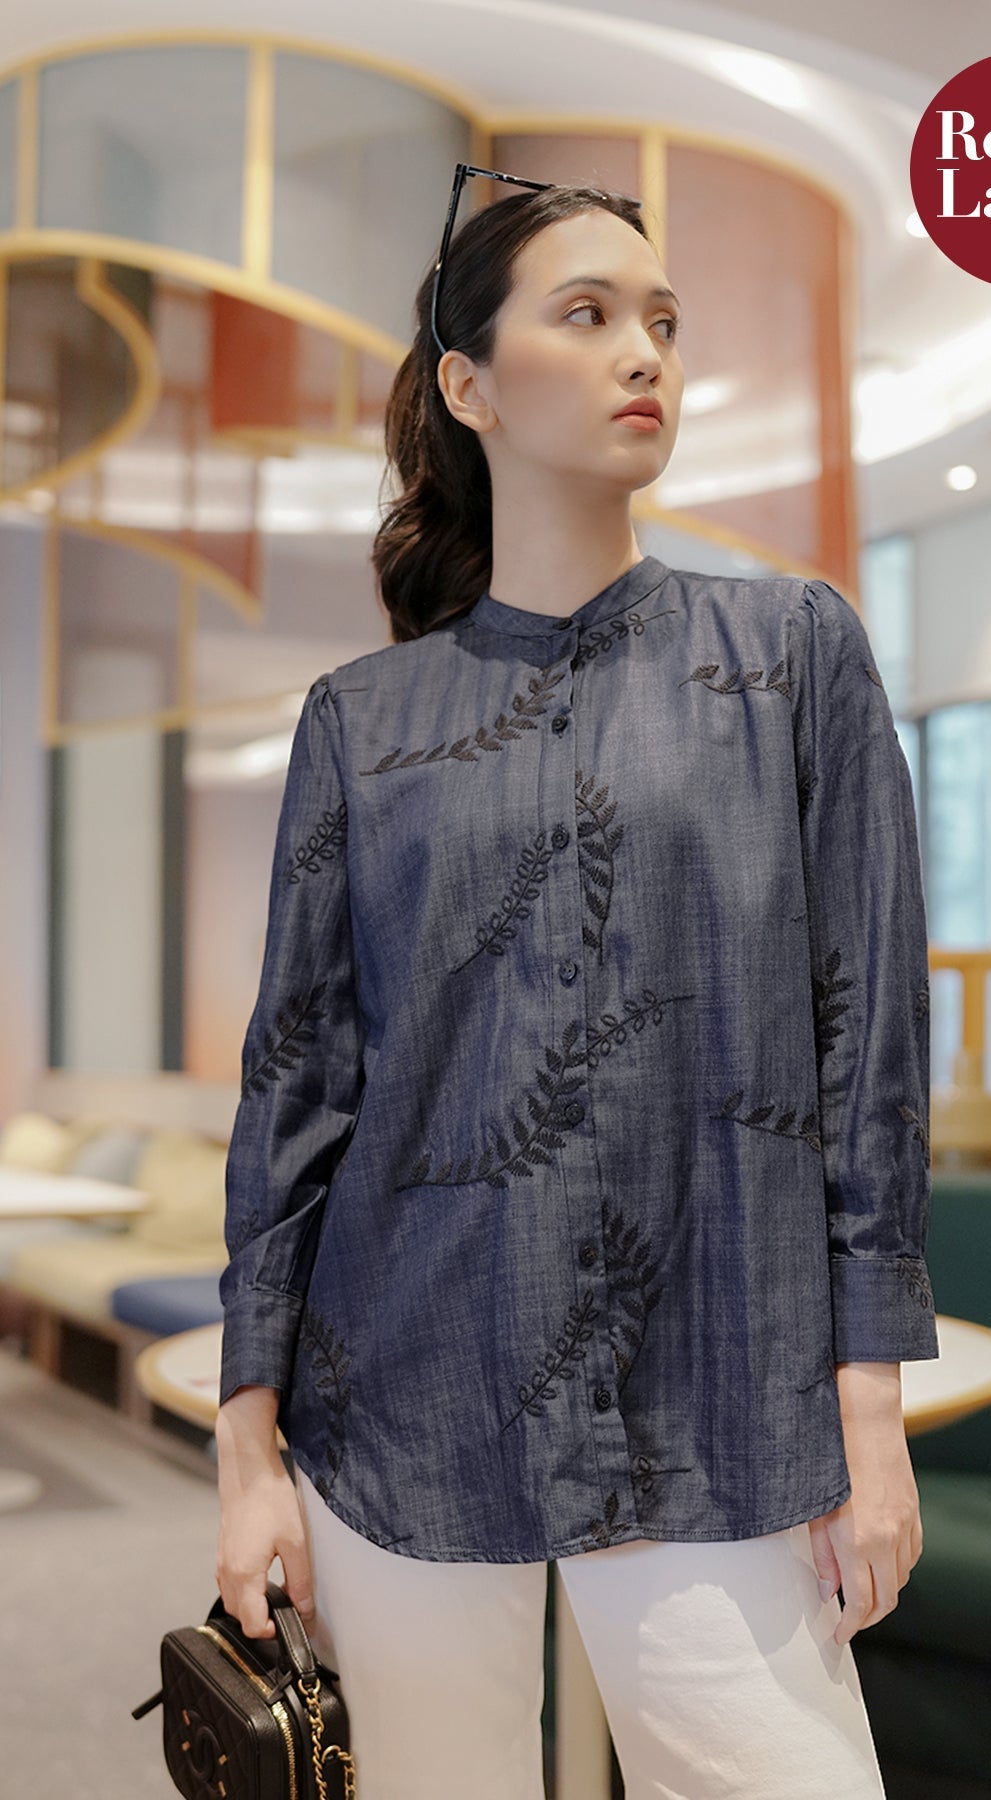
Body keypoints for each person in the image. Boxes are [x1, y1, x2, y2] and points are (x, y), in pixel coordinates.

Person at [214, 166, 940, 1799]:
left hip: (722, 1380)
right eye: (591, 313)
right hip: (397, 1401)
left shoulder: (788, 655)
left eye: (662, 321)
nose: (645, 354)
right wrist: (247, 1453)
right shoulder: (360, 722)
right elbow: (297, 1090)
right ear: (470, 386)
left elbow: (867, 1043)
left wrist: (870, 1410)